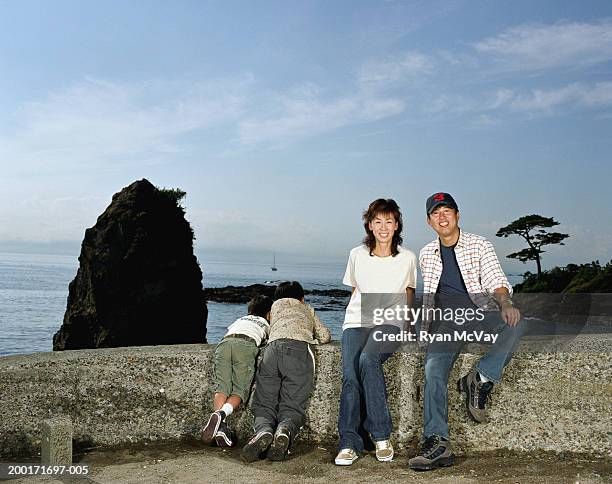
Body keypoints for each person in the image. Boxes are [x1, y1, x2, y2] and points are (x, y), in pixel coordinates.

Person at [408, 192, 524, 471]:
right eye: (436, 213)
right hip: (447, 323)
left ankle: (481, 377)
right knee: (433, 370)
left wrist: (506, 303)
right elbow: (428, 298)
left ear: (457, 215)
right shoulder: (426, 254)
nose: (442, 217)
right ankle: (438, 442)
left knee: (519, 324)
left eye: (447, 210)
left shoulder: (479, 245)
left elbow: (497, 280)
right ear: (429, 221)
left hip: (481, 313)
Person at [335, 199, 417, 466]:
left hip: (390, 321)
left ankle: (381, 435)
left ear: (396, 225)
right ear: (369, 225)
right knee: (350, 376)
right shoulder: (356, 254)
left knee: (368, 359)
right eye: (377, 221)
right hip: (356, 321)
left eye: (389, 221)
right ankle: (349, 442)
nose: (383, 227)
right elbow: (354, 291)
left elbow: (409, 292)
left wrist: (410, 324)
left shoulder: (407, 258)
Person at [241, 281, 331, 463]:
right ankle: (284, 430)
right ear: (302, 298)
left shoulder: (273, 309)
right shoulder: (307, 309)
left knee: (264, 399)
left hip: (272, 350)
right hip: (299, 350)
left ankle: (264, 430)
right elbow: (325, 336)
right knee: (293, 401)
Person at [201, 295, 274, 447]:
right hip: (245, 345)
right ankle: (220, 415)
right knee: (239, 391)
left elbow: (229, 332)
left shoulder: (240, 320)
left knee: (222, 387)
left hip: (225, 344)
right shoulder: (266, 324)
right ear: (268, 314)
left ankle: (220, 427)